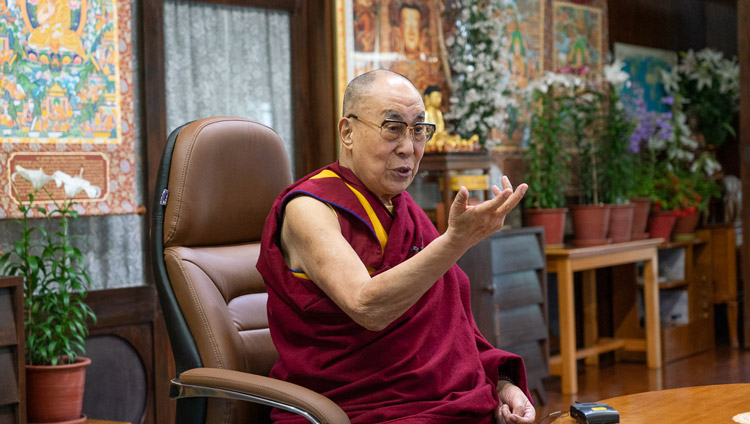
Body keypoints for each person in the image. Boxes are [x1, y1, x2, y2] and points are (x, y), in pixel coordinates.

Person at [257, 69, 534, 424]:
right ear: (348, 132)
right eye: (393, 128)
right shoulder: (309, 208)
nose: (409, 147)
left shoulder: (403, 212)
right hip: (359, 410)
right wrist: (456, 241)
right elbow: (367, 307)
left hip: (449, 405)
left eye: (419, 130)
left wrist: (501, 384)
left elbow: (452, 332)